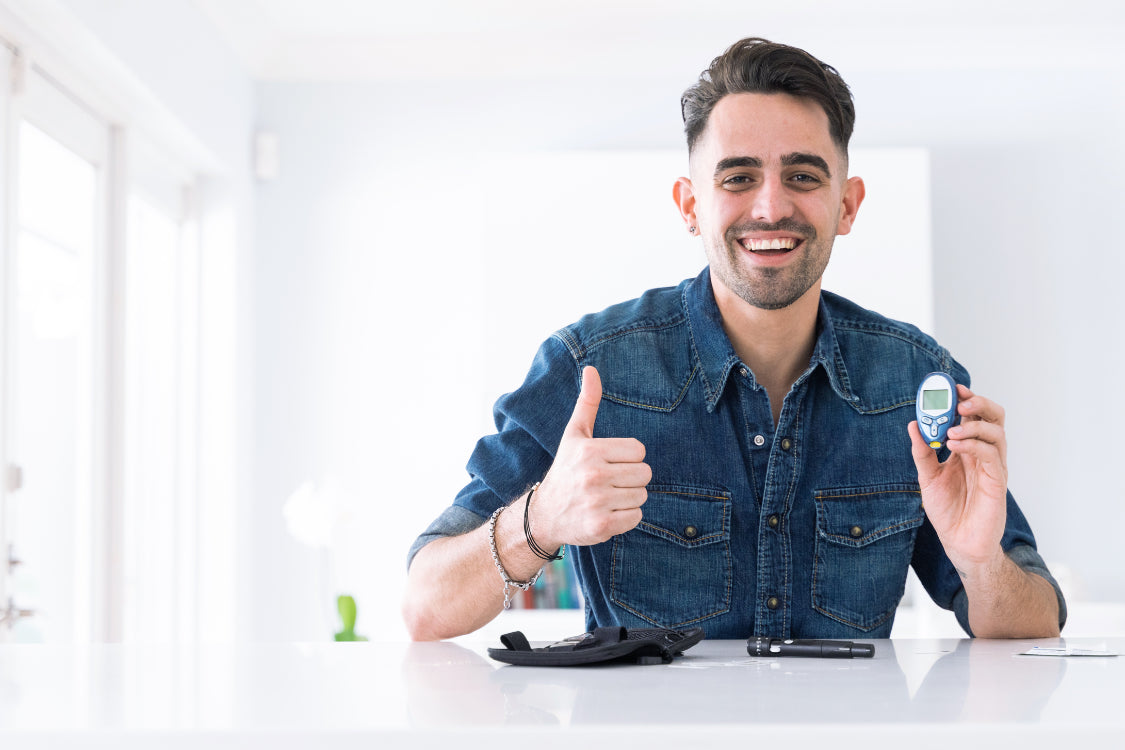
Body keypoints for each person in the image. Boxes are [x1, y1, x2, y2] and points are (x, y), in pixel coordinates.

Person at [402, 37, 1065, 642]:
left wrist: (979, 561)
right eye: (737, 177)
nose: (770, 206)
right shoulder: (586, 367)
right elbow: (425, 607)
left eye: (803, 176)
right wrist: (540, 520)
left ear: (847, 205)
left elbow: (1031, 622)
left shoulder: (916, 380)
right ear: (690, 204)